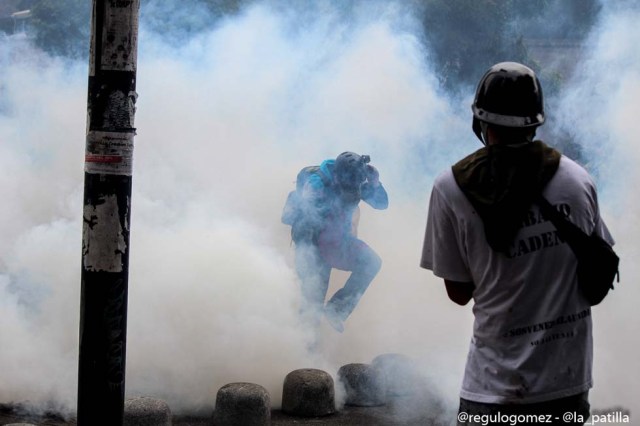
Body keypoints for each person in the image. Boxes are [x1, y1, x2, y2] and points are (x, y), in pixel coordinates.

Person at [421, 62, 614, 425]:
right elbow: (595, 266)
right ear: (535, 121)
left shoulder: (450, 188)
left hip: (491, 389)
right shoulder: (577, 179)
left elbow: (459, 292)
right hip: (567, 384)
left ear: (481, 122)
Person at [282, 151, 388, 333]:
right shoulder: (317, 184)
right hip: (313, 246)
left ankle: (337, 309)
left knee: (371, 263)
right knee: (312, 304)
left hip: (338, 241)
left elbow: (381, 204)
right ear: (338, 176)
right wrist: (309, 262)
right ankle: (302, 352)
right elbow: (305, 220)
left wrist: (375, 183)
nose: (353, 192)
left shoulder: (358, 180)